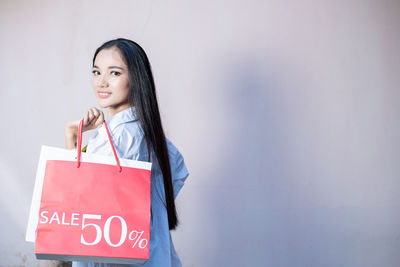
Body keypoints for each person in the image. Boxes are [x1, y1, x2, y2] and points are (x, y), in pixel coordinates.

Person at [65, 38, 189, 267]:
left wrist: (71, 137)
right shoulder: (150, 134)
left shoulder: (119, 137)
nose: (101, 82)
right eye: (96, 71)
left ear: (136, 78)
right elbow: (177, 174)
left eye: (114, 73)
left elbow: (76, 203)